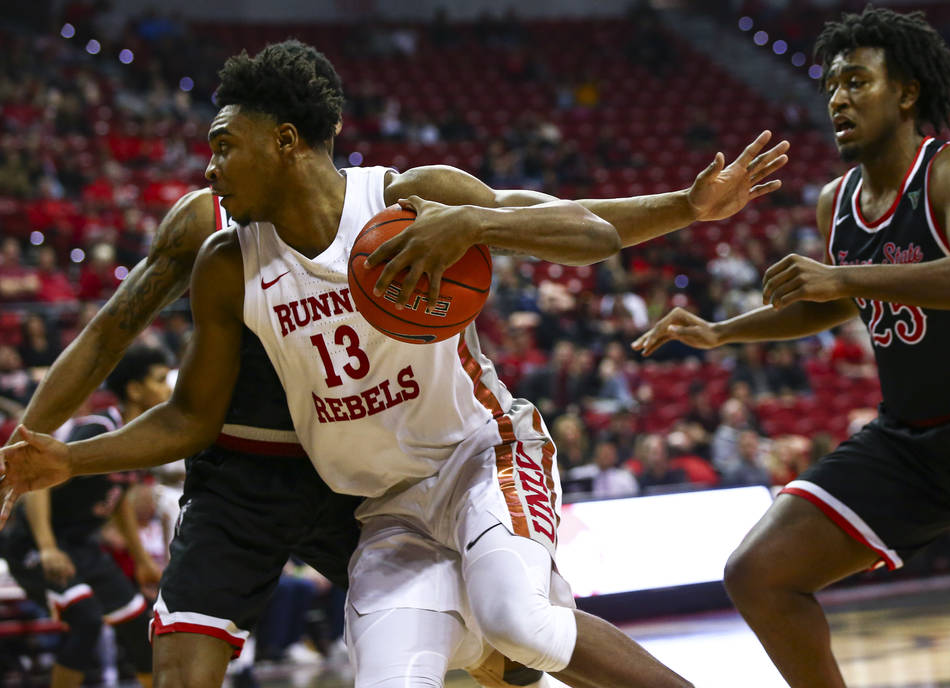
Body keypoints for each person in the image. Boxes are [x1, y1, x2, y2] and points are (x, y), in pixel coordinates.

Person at [0, 40, 788, 688]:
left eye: (221, 147)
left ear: (284, 141)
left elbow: (581, 233)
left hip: (482, 454)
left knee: (519, 623)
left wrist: (484, 222)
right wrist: (64, 456)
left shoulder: (407, 199)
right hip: (373, 500)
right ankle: (483, 634)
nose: (208, 168)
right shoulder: (222, 259)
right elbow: (186, 414)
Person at [632, 7, 950, 687]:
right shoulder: (838, 200)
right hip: (911, 446)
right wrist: (722, 331)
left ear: (906, 91)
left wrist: (846, 274)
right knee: (759, 575)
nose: (838, 99)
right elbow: (830, 304)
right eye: (832, 86)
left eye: (858, 81)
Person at [0, 345, 170, 688]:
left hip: (82, 545)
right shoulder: (98, 429)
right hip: (33, 542)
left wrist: (140, 560)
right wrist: (48, 547)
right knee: (87, 619)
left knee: (140, 627)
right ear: (135, 390)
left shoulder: (142, 438)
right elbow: (39, 484)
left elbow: (118, 497)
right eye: (161, 380)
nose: (170, 389)